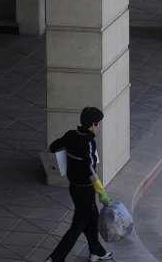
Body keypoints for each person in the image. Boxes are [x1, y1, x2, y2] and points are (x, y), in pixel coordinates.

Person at [46, 107, 114, 262]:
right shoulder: (89, 142)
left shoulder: (71, 135)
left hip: (74, 187)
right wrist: (101, 191)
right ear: (93, 124)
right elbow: (90, 168)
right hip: (85, 191)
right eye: (98, 124)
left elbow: (53, 146)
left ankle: (96, 251)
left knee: (93, 218)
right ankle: (55, 258)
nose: (98, 127)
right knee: (77, 226)